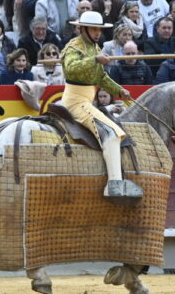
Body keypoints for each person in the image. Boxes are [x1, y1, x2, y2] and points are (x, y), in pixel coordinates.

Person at [60, 10, 140, 202]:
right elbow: (71, 68)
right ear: (82, 29)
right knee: (112, 133)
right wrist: (95, 59)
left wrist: (119, 90)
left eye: (99, 30)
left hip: (86, 100)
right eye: (94, 29)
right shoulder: (74, 47)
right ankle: (114, 184)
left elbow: (101, 77)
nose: (97, 33)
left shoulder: (94, 47)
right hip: (75, 101)